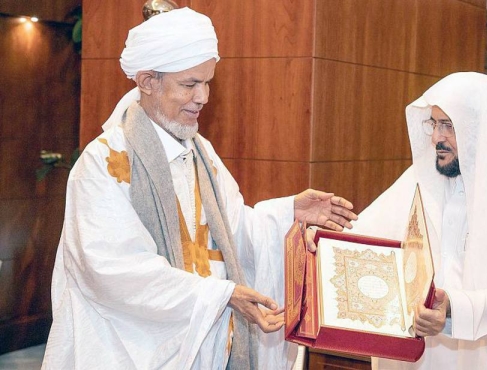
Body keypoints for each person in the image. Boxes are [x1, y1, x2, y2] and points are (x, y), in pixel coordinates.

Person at [41, 7, 357, 370]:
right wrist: (219, 295)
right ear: (147, 82)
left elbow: (233, 232)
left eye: (207, 82)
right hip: (134, 351)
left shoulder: (201, 152)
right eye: (189, 84)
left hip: (211, 346)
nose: (203, 96)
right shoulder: (104, 164)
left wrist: (289, 213)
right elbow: (111, 271)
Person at [316, 72, 487, 369]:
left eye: (449, 126)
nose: (437, 137)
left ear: (481, 129)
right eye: (435, 124)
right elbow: (364, 241)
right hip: (416, 358)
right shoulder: (420, 178)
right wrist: (318, 237)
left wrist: (453, 309)